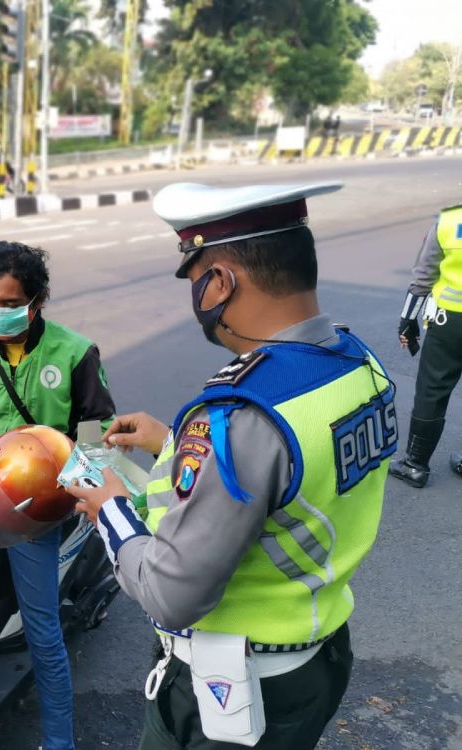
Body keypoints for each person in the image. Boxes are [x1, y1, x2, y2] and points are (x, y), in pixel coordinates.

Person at [67, 182, 395, 750]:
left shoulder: (242, 416)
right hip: (317, 658)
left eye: (195, 281)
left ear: (220, 282)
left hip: (235, 692)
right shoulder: (356, 361)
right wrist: (172, 444)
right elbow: (291, 476)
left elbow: (170, 594)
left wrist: (110, 508)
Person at [0, 241, 116, 750]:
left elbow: (98, 433)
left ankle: (59, 742)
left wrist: (67, 490)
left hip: (35, 508)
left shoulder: (75, 352)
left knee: (43, 632)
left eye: (10, 304)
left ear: (37, 301)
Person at [389, 202, 462, 487]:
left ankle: (415, 465)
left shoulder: (450, 221)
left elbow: (423, 277)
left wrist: (408, 320)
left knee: (432, 390)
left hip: (450, 322)